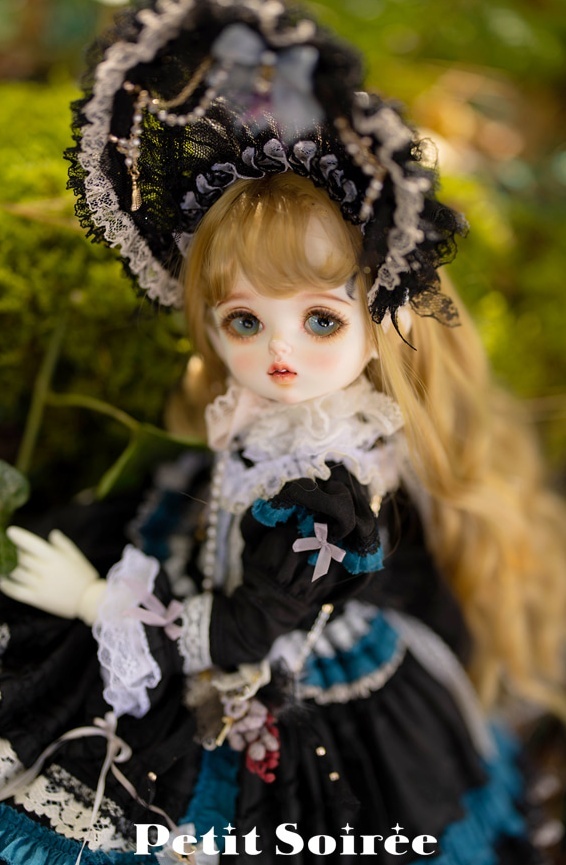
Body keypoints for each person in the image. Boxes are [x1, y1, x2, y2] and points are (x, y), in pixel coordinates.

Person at [0, 1, 565, 863]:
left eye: (321, 320)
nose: (279, 353)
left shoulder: (324, 493)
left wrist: (93, 601)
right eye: (244, 320)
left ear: (377, 326)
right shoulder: (269, 429)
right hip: (210, 578)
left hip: (281, 666)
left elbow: (242, 635)